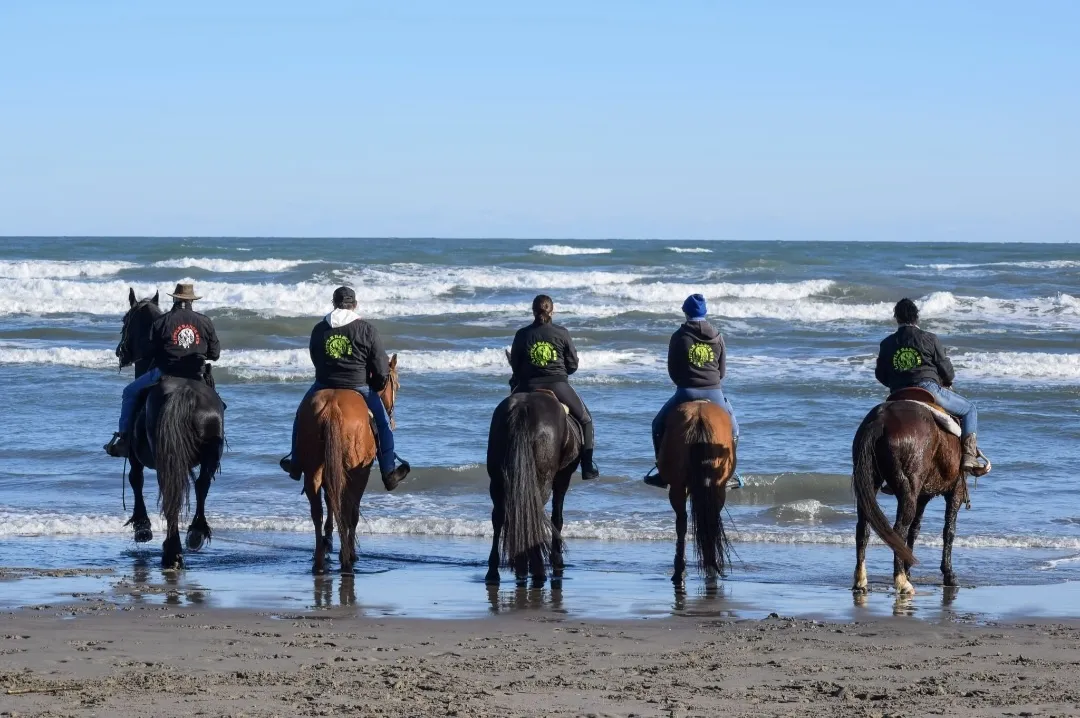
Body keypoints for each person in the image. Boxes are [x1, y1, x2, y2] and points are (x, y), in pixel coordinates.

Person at [279, 286, 410, 491]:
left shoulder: (320, 328)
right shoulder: (367, 329)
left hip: (324, 384)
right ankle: (388, 472)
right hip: (359, 386)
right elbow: (381, 367)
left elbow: (315, 357)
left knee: (300, 416)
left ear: (334, 304)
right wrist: (375, 386)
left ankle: (296, 465)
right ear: (355, 305)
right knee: (383, 422)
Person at [104, 283, 220, 458]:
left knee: (129, 392)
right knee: (217, 404)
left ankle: (124, 439)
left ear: (174, 298)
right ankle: (216, 444)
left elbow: (149, 351)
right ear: (191, 301)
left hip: (166, 373)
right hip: (196, 376)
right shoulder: (204, 321)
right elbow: (215, 354)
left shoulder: (162, 321)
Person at [876, 297, 985, 471]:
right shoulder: (930, 338)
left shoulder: (887, 343)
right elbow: (947, 371)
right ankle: (969, 456)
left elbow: (880, 374)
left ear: (897, 318)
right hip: (928, 389)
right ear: (916, 318)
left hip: (898, 393)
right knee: (970, 409)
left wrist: (897, 382)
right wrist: (945, 380)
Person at [644, 294, 740, 488]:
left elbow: (672, 370)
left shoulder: (679, 336)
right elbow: (722, 371)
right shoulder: (717, 335)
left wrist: (684, 382)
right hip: (714, 392)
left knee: (657, 425)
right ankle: (730, 473)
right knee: (734, 429)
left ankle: (662, 471)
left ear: (686, 312)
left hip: (686, 392)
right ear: (705, 313)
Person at [509, 294, 599, 480]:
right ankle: (588, 467)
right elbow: (573, 365)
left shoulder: (522, 334)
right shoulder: (562, 333)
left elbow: (516, 367)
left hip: (526, 386)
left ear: (533, 311)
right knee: (586, 420)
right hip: (557, 384)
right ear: (553, 310)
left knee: (506, 417)